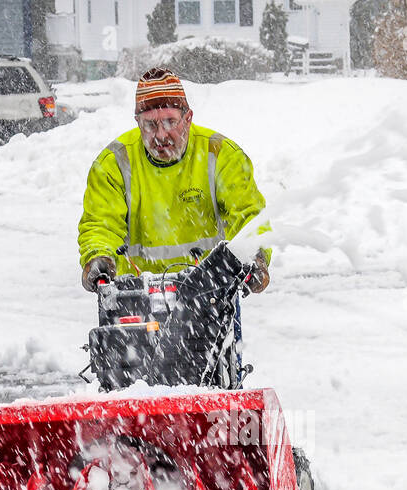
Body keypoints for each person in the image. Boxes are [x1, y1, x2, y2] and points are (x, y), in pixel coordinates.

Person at [78, 69, 271, 374]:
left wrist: (254, 258)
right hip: (136, 298)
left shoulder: (220, 155)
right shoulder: (114, 163)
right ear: (137, 123)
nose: (161, 135)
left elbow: (248, 215)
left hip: (209, 295)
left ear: (188, 118)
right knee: (129, 382)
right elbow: (100, 222)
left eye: (170, 122)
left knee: (217, 377)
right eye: (150, 125)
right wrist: (98, 257)